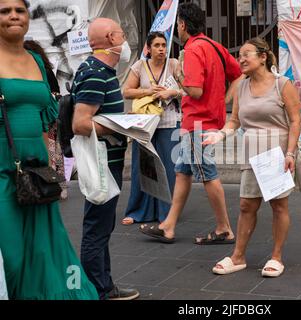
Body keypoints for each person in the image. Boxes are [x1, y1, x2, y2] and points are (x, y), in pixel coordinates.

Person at [0, 0, 98, 299]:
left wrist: (51, 174)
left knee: (44, 251)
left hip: (35, 175)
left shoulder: (37, 61)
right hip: (3, 172)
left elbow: (46, 122)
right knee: (12, 256)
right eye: (4, 11)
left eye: (19, 10)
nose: (13, 16)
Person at [139, 2, 243, 245]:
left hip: (198, 123)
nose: (177, 29)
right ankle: (169, 226)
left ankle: (224, 228)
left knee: (207, 174)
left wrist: (178, 78)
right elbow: (238, 75)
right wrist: (224, 100)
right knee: (183, 172)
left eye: (178, 25)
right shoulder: (215, 47)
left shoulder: (194, 49)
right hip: (202, 121)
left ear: (183, 24)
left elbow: (194, 91)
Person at [202, 38, 301, 278]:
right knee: (247, 205)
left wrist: (290, 153)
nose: (242, 59)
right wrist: (221, 135)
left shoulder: (282, 84)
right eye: (240, 55)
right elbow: (235, 120)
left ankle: (276, 257)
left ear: (263, 57)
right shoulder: (241, 87)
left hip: (277, 150)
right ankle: (238, 257)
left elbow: (296, 120)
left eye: (247, 54)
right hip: (252, 150)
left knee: (278, 205)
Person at [71, 17, 139, 300]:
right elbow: (81, 123)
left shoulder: (100, 70)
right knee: (98, 227)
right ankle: (97, 289)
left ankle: (103, 284)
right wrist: (121, 125)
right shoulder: (97, 73)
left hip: (106, 161)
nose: (124, 41)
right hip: (101, 163)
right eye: (122, 35)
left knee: (102, 225)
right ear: (111, 38)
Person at [121, 32, 182, 226]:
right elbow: (127, 91)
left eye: (164, 45)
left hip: (169, 122)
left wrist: (171, 92)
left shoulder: (173, 65)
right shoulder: (139, 66)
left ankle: (167, 213)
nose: (161, 49)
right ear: (148, 48)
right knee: (144, 166)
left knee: (168, 169)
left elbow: (187, 90)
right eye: (157, 45)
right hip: (145, 124)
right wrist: (149, 91)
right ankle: (139, 211)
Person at [23, 39, 67, 200]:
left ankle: (53, 185)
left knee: (51, 151)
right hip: (46, 118)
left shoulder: (42, 70)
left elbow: (54, 91)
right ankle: (55, 186)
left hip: (47, 117)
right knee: (54, 151)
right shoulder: (41, 69)